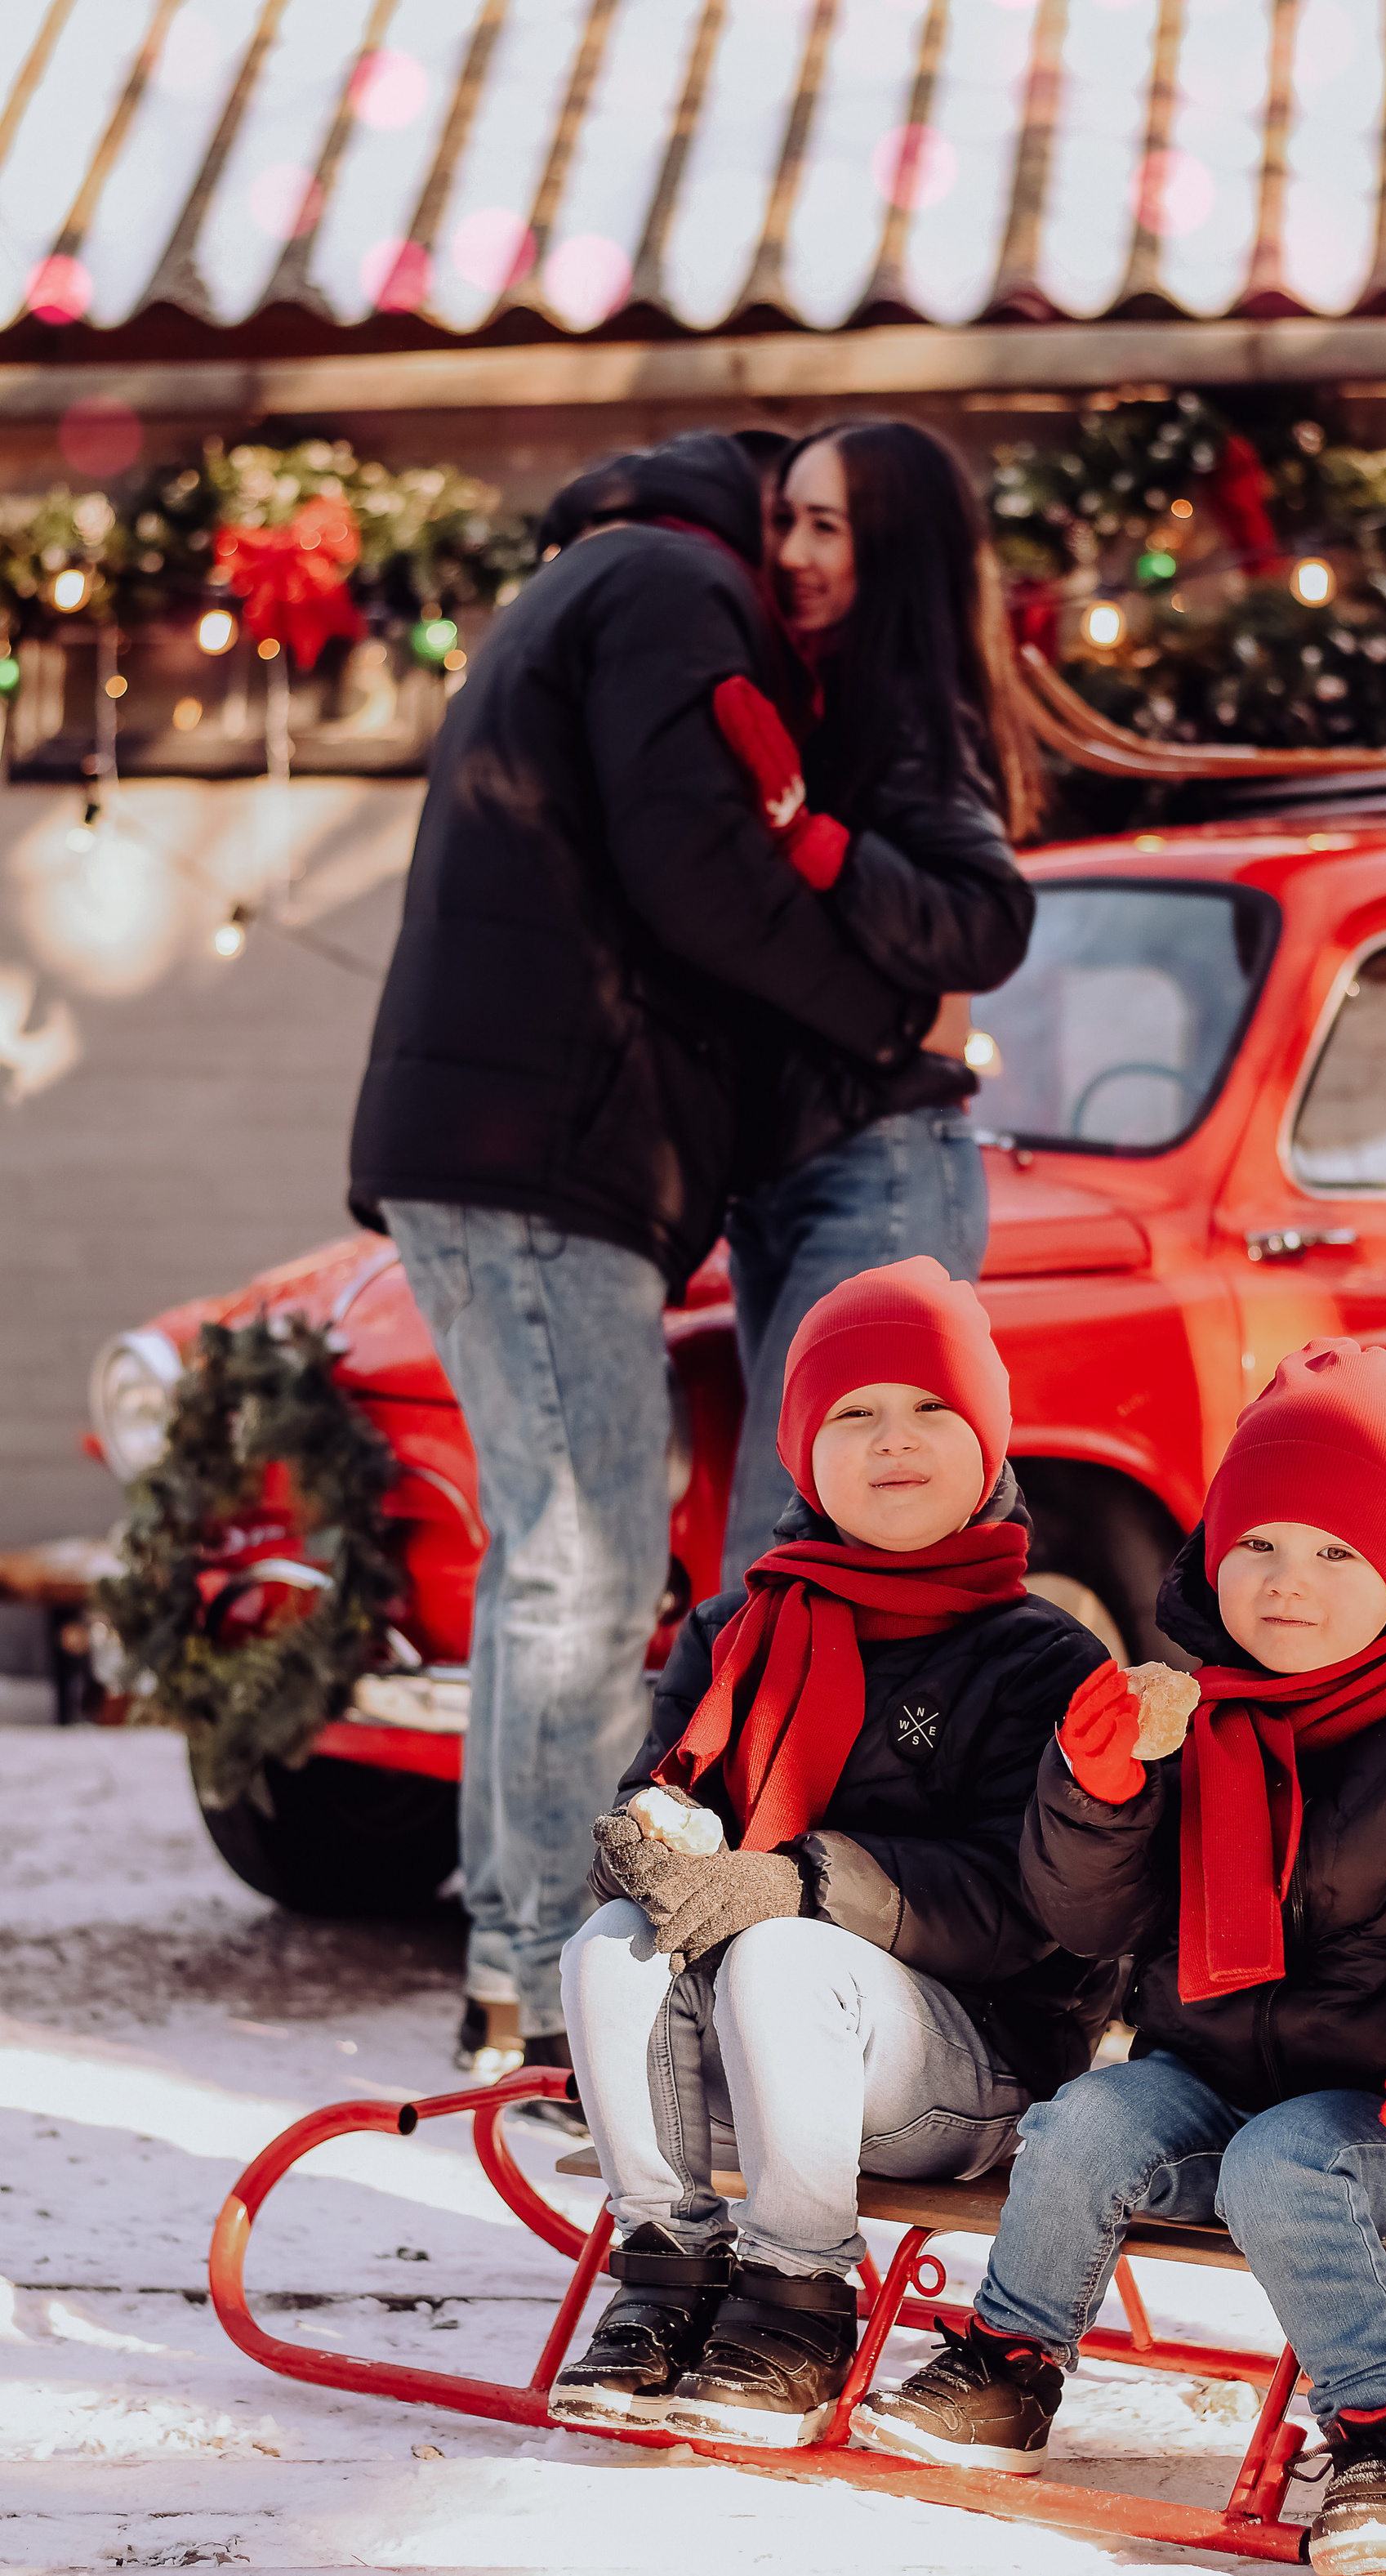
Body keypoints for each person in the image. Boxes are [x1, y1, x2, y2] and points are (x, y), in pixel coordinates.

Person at [346, 433, 937, 2074]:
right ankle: (546, 1990)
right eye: (798, 526)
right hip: (538, 1154)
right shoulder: (677, 593)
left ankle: (508, 1969)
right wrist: (892, 1012)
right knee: (586, 1569)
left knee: (558, 1562)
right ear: (749, 518)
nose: (810, 567)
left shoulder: (581, 587)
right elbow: (703, 872)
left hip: (501, 1148)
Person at [863, 1340, 1386, 2576]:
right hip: (1208, 2070)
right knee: (1085, 2123)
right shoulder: (1185, 1709)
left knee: (1288, 2161)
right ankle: (1008, 2368)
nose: (1288, 1582)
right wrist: (1096, 1792)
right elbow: (1090, 1921)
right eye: (1259, 1544)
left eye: (1337, 1552)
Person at [549, 1258, 1119, 2447]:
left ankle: (802, 2297)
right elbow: (664, 1800)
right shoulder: (732, 1630)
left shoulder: (1039, 1659)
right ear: (807, 1452)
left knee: (780, 1956)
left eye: (930, 1411)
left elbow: (1031, 1908)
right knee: (611, 1942)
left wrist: (798, 1880)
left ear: (988, 1443)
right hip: (750, 2075)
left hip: (970, 2070)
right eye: (853, 1414)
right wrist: (643, 1844)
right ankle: (668, 2269)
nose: (892, 1441)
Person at [713, 417, 1044, 1587]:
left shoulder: (909, 713)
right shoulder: (835, 696)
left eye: (825, 526)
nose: (792, 552)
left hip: (881, 1164)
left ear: (891, 549)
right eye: (784, 522)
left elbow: (986, 918)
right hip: (812, 1169)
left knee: (783, 1554)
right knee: (799, 1555)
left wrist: (812, 839)